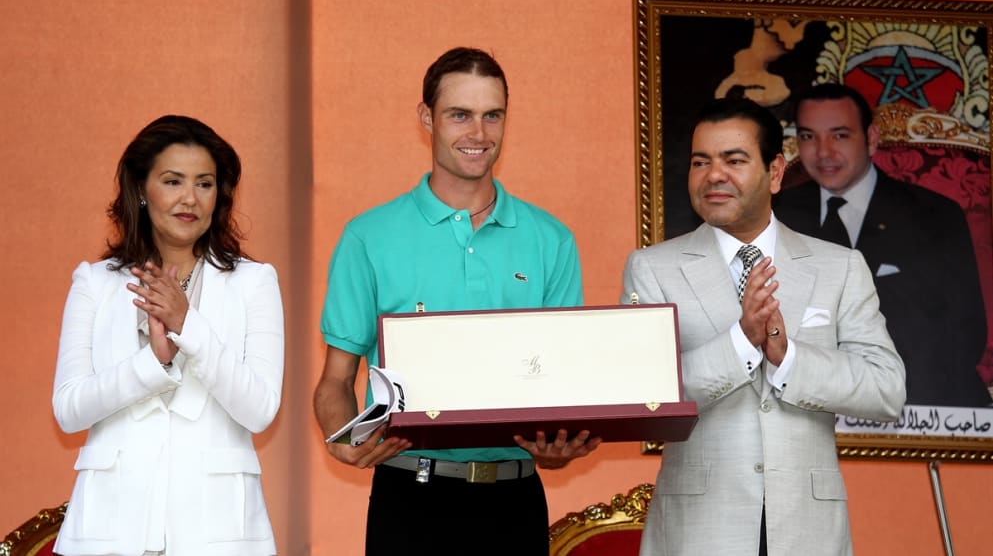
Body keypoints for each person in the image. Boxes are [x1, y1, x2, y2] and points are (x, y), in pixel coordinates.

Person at [313, 47, 600, 555]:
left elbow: (561, 387)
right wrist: (341, 438)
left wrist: (559, 446)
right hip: (408, 500)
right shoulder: (368, 237)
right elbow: (336, 381)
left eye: (493, 115)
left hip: (517, 503)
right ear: (427, 118)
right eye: (460, 115)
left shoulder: (551, 239)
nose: (479, 134)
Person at [621, 97, 905, 556]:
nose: (715, 175)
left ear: (775, 172)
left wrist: (787, 356)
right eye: (701, 162)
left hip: (807, 531)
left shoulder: (840, 267)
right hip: (699, 531)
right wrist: (741, 342)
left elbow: (886, 389)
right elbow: (643, 398)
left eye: (734, 160)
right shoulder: (654, 268)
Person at [52, 115, 284, 556]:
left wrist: (188, 326)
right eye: (173, 181)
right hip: (108, 530)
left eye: (205, 183)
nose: (190, 199)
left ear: (220, 194)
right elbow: (68, 410)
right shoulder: (94, 283)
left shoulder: (254, 282)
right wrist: (151, 365)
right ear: (141, 190)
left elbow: (260, 410)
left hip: (219, 534)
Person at [775, 83, 991, 407]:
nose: (823, 152)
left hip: (915, 398)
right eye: (808, 137)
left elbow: (965, 335)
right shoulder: (776, 215)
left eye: (840, 135)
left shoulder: (935, 215)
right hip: (806, 399)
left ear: (872, 139)